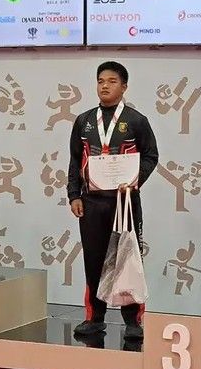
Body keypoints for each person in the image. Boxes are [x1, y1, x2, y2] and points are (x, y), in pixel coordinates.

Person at [67, 61, 159, 340]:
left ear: (124, 86)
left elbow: (151, 156)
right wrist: (74, 195)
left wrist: (135, 180)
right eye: (101, 81)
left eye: (112, 81)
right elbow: (75, 159)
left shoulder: (136, 120)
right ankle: (95, 318)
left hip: (125, 201)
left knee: (128, 258)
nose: (105, 86)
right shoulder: (84, 121)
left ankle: (133, 321)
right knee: (94, 259)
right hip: (92, 202)